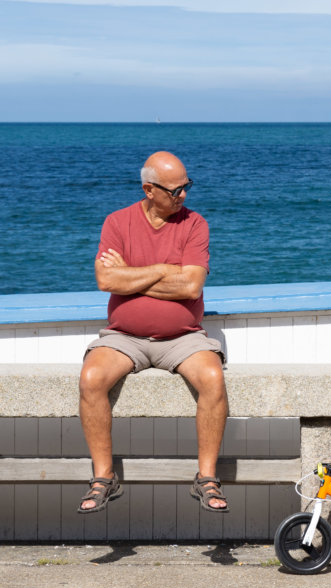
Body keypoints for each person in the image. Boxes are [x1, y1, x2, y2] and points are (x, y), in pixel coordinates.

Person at [77, 151, 229, 514]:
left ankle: (206, 477)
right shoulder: (117, 222)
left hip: (183, 337)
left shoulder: (195, 225)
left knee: (212, 378)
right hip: (124, 336)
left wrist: (131, 275)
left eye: (187, 187)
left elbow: (191, 287)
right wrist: (163, 269)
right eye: (176, 191)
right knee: (91, 377)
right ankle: (103, 477)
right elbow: (104, 279)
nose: (184, 197)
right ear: (149, 189)